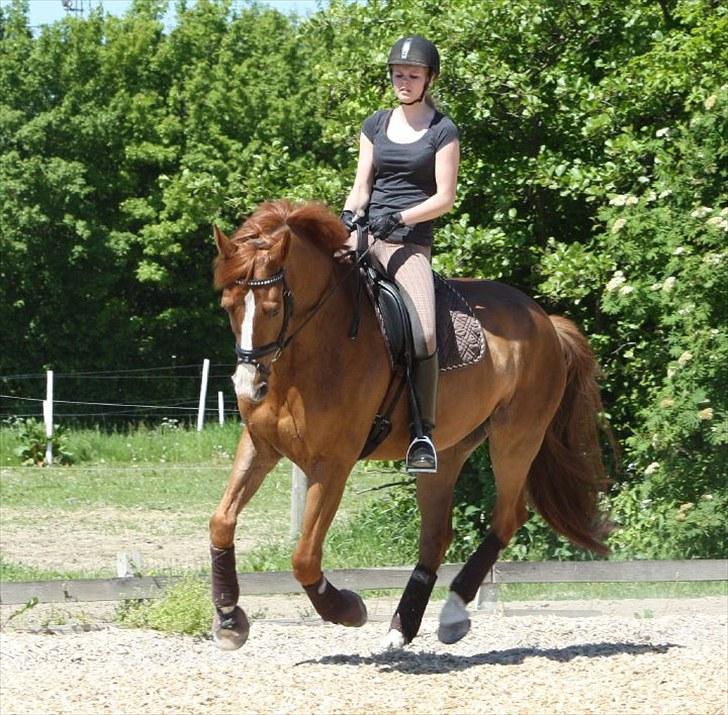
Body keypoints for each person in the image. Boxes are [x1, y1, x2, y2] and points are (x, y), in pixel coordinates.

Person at [340, 35, 460, 473]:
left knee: (424, 333)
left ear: (429, 79)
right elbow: (362, 185)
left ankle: (422, 434)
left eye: (412, 75)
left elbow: (445, 197)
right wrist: (350, 216)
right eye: (397, 74)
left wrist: (402, 218)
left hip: (408, 244)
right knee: (315, 290)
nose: (403, 81)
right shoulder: (374, 124)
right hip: (367, 234)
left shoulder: (442, 131)